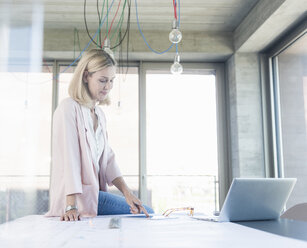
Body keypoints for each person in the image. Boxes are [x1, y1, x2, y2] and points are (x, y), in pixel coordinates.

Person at [45, 49, 154, 221]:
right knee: (147, 212)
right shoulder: (68, 108)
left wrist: (127, 193)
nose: (108, 86)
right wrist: (71, 206)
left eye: (111, 81)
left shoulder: (99, 114)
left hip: (94, 195)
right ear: (86, 76)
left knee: (142, 210)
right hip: (77, 199)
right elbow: (70, 158)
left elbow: (108, 160)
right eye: (103, 80)